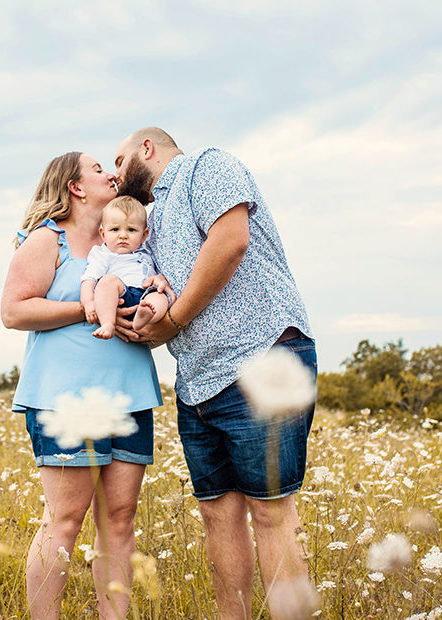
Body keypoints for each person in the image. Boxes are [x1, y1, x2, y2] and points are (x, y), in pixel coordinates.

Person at [113, 128, 320, 618]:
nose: (116, 175)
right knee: (216, 513)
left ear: (147, 149)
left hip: (259, 357)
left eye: (119, 161)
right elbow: (163, 299)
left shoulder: (205, 165)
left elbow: (230, 241)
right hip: (197, 381)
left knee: (270, 512)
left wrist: (173, 320)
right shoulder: (148, 223)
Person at [0, 152, 164, 619]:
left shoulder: (131, 240)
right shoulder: (47, 239)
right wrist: (88, 308)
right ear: (74, 187)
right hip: (66, 399)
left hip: (130, 396)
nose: (110, 174)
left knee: (120, 520)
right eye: (97, 169)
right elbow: (13, 310)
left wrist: (145, 316)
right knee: (65, 521)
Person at [81, 195, 171, 339]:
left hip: (145, 295)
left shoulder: (147, 251)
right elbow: (88, 279)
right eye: (115, 229)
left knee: (160, 295)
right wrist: (88, 303)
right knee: (107, 281)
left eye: (131, 230)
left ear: (144, 235)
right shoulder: (103, 253)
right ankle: (108, 323)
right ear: (103, 234)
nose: (123, 235)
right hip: (121, 295)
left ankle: (145, 317)